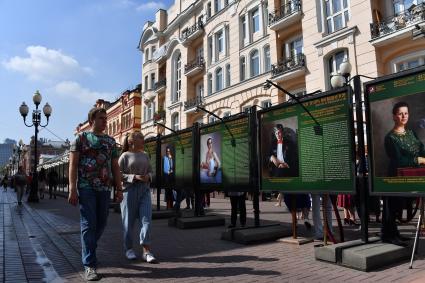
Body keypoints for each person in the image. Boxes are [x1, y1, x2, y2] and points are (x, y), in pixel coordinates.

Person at [68, 107, 123, 281]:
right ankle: (90, 265)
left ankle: (89, 246)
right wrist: (72, 188)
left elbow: (115, 166)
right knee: (88, 224)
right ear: (92, 121)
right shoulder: (81, 139)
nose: (105, 121)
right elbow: (73, 165)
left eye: (106, 118)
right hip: (86, 187)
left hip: (105, 188)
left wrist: (119, 188)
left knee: (102, 222)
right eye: (101, 118)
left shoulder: (111, 141)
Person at [381, 102, 425, 246]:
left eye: (406, 113)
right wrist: (417, 159)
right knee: (391, 207)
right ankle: (389, 235)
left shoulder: (411, 133)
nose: (403, 116)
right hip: (395, 176)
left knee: (399, 207)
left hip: (411, 175)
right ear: (394, 116)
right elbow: (398, 159)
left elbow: (420, 148)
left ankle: (395, 234)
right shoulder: (390, 138)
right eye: (400, 113)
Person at [119, 132, 157, 263]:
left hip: (144, 190)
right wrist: (134, 177)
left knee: (147, 221)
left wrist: (149, 177)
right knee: (128, 223)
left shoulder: (145, 155)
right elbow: (117, 174)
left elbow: (151, 171)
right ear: (131, 142)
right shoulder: (125, 156)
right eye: (140, 137)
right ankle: (128, 249)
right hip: (129, 191)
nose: (143, 139)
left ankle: (146, 251)